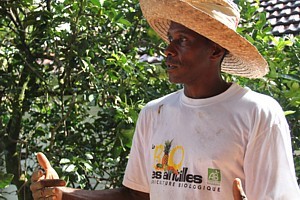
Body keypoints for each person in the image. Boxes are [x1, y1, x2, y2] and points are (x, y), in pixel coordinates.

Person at [30, 0, 300, 199]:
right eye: (170, 39)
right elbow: (136, 195)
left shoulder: (258, 113)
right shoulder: (155, 113)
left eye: (182, 40)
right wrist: (63, 194)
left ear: (215, 49)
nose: (167, 51)